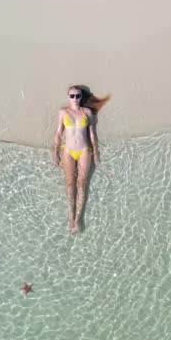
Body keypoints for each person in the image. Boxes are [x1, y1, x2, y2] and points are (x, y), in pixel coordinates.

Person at [52, 84, 110, 235]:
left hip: (84, 151)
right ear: (68, 97)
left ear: (81, 97)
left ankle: (78, 219)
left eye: (78, 96)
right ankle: (70, 218)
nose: (75, 98)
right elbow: (58, 133)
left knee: (82, 184)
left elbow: (92, 134)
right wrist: (56, 152)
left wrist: (95, 152)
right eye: (72, 96)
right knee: (70, 184)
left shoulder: (87, 112)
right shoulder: (63, 112)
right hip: (68, 151)